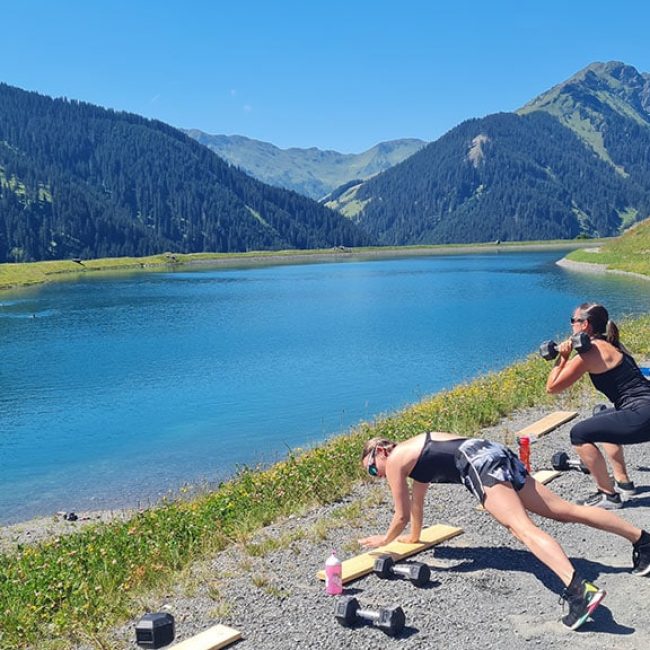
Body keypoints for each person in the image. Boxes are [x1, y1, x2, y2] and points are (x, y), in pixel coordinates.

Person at [358, 432, 650, 630]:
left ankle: (579, 591)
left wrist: (384, 541)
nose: (378, 475)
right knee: (564, 511)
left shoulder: (396, 459)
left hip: (476, 462)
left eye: (373, 469)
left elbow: (401, 514)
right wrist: (413, 538)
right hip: (492, 451)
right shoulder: (415, 454)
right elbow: (416, 505)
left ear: (381, 451)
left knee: (521, 528)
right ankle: (642, 540)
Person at [546, 303, 650, 509]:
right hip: (641, 409)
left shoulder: (591, 352)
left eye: (573, 321)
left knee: (579, 433)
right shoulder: (611, 342)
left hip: (642, 414)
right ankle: (623, 482)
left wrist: (563, 357)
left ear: (585, 325)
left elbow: (552, 387)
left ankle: (608, 495)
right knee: (601, 422)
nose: (571, 325)